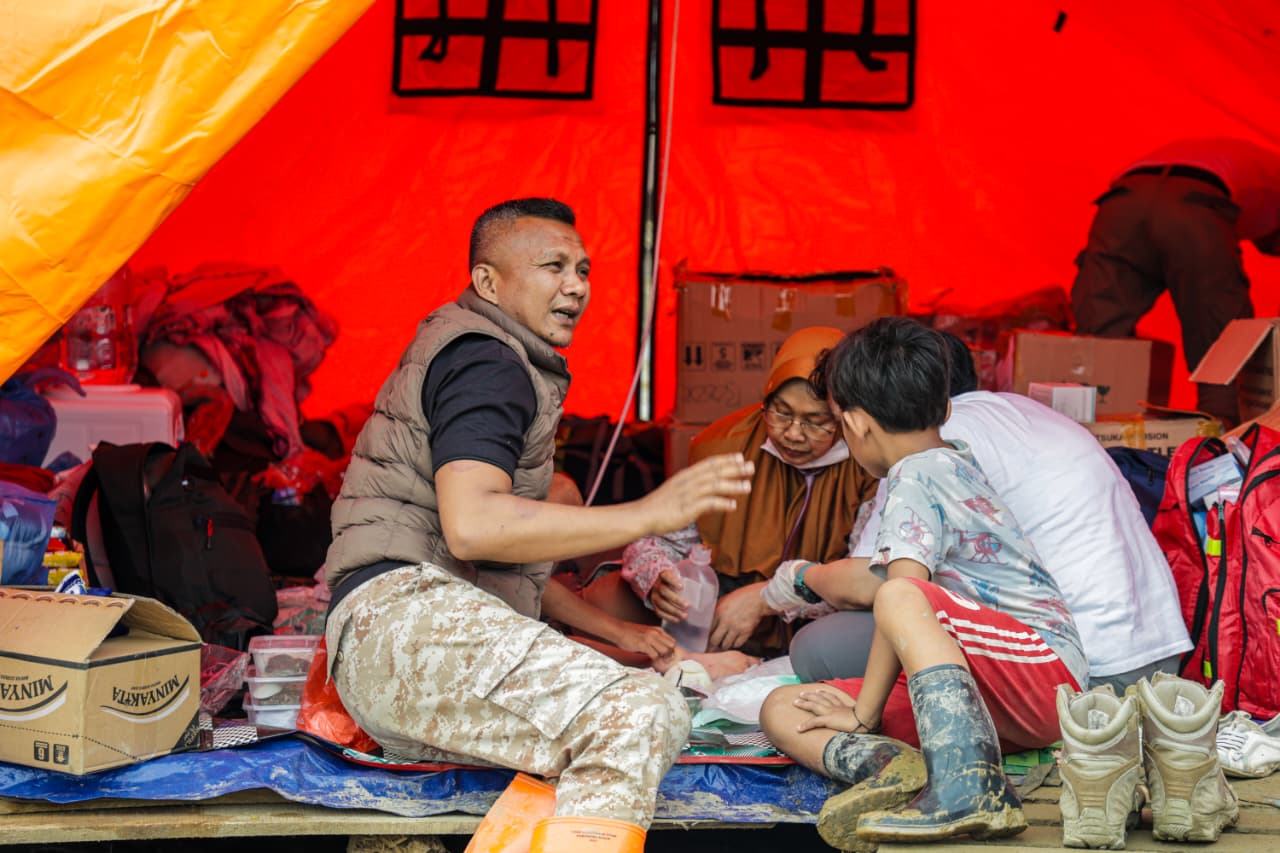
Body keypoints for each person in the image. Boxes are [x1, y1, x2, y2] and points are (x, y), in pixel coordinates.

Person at [322, 198, 754, 851]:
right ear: (488, 281)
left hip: (402, 629)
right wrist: (648, 512)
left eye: (583, 269)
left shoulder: (492, 354)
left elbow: (494, 558)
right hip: (404, 621)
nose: (576, 285)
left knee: (632, 696)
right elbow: (474, 526)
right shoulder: (487, 360)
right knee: (634, 714)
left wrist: (618, 636)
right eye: (554, 266)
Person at [759, 317, 1087, 847]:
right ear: (947, 407)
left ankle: (969, 789)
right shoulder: (950, 460)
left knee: (897, 590)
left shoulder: (916, 475)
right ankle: (899, 769)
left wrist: (863, 714)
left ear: (857, 424)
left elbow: (902, 599)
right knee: (782, 709)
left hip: (1041, 670)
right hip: (984, 699)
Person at [784, 331, 1192, 692]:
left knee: (819, 648)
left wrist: (797, 579)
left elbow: (883, 588)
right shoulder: (1018, 411)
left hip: (1079, 674)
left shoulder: (922, 455)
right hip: (1156, 657)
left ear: (858, 421)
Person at [572, 326, 878, 663]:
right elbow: (654, 541)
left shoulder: (869, 464)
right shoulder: (725, 446)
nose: (793, 433)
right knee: (605, 597)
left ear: (843, 415)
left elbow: (868, 580)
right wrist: (660, 580)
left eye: (816, 421)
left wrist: (768, 598)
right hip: (714, 621)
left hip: (816, 621)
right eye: (781, 412)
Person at [1071, 138, 1280, 425]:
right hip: (1194, 204)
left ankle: (1098, 424)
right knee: (1221, 334)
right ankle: (1218, 436)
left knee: (1101, 331)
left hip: (1123, 201)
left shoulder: (1239, 158)